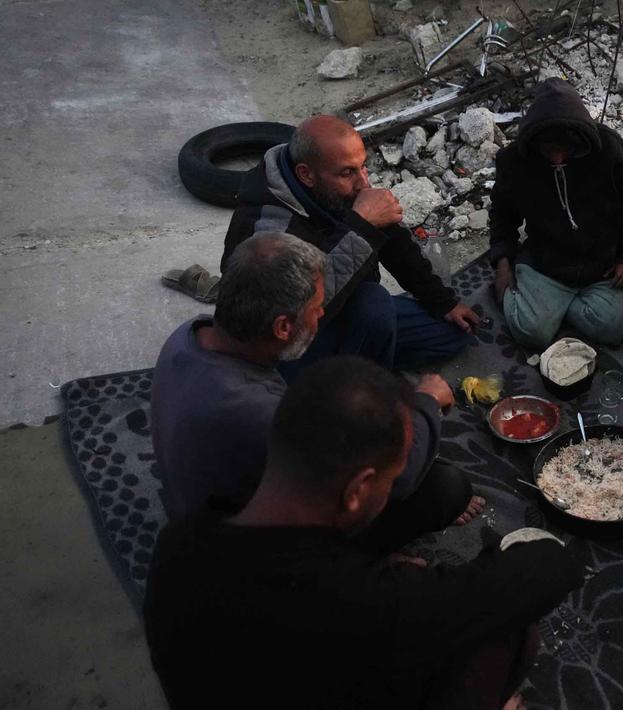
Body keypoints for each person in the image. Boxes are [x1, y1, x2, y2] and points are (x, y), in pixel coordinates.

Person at [144, 357, 584, 710]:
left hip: (262, 676)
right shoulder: (366, 605)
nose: (396, 490)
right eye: (391, 480)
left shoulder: (178, 544)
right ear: (357, 490)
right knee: (504, 633)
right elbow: (545, 573)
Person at [151, 232, 482, 545]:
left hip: (215, 493)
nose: (322, 314)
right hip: (245, 551)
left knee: (371, 312)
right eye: (316, 309)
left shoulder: (191, 334)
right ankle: (360, 565)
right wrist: (426, 403)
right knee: (443, 488)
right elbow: (399, 477)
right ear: (283, 326)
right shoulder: (261, 413)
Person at [222, 114, 480, 377]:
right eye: (348, 172)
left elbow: (395, 245)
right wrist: (362, 227)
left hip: (348, 310)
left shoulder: (334, 188)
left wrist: (443, 301)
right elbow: (295, 311)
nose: (363, 182)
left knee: (452, 333)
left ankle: (357, 362)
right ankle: (347, 392)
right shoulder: (268, 229)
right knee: (374, 303)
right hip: (293, 340)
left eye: (363, 167)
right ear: (306, 175)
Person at [489, 78, 623, 350]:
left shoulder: (608, 147)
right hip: (547, 264)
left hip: (602, 262)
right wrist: (502, 263)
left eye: (564, 150)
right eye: (549, 150)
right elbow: (502, 212)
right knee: (530, 333)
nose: (556, 159)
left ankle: (552, 310)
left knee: (611, 329)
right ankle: (544, 305)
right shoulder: (515, 160)